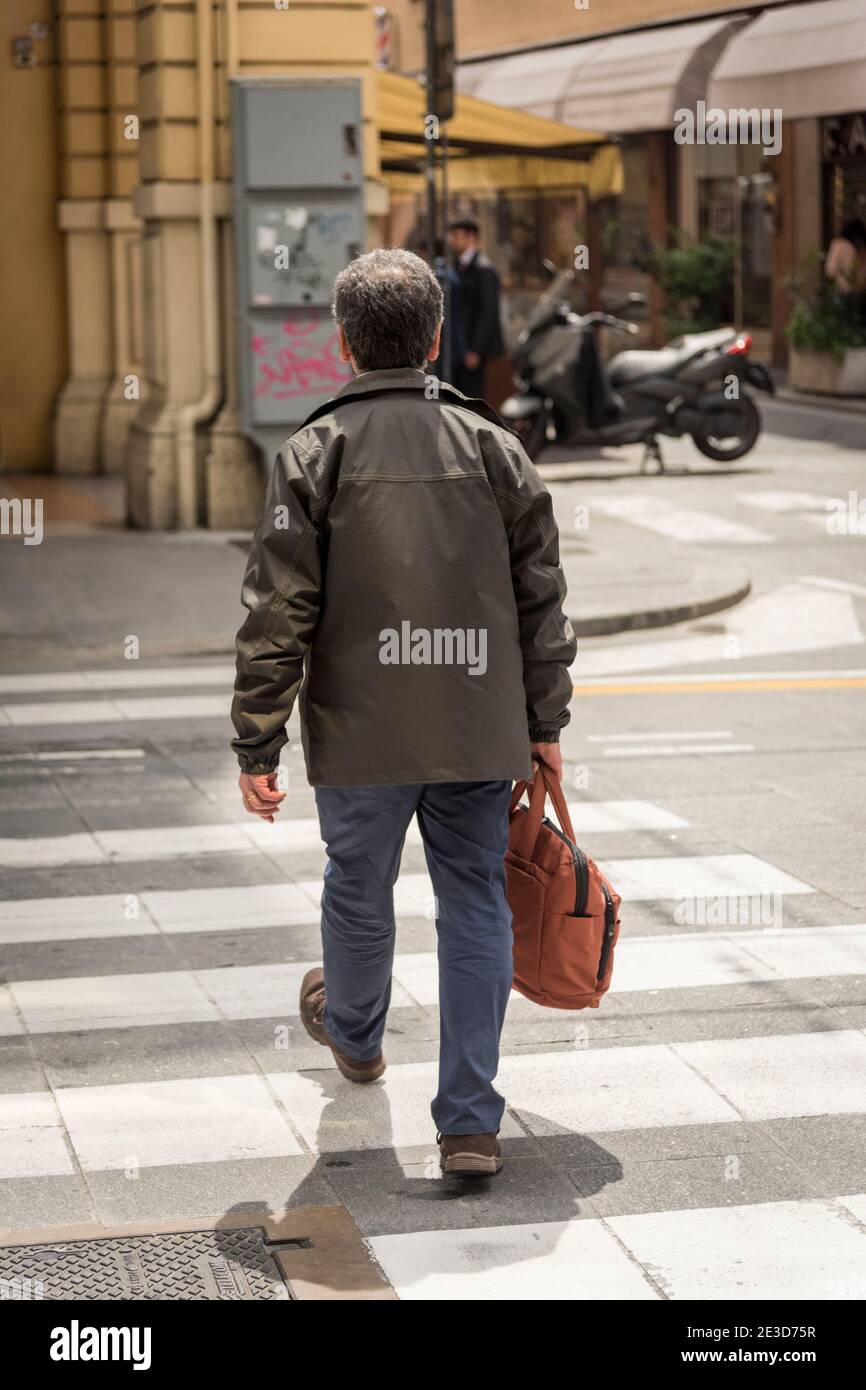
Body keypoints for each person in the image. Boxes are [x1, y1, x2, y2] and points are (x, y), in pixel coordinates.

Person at [230, 248, 576, 1179]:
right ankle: (469, 1122)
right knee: (474, 898)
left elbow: (278, 610)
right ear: (435, 338)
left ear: (344, 344)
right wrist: (545, 724)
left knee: (357, 883)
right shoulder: (494, 446)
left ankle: (354, 1034)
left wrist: (256, 738)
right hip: (475, 724)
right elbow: (541, 597)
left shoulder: (314, 451)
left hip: (361, 727)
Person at [447, 216, 505, 398]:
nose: (453, 241)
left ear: (470, 237)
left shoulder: (483, 269)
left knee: (472, 397)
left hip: (472, 349)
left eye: (457, 235)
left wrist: (475, 349)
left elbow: (488, 311)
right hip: (458, 347)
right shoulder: (457, 266)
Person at [825, 217, 866, 295]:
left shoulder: (838, 244)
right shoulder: (857, 248)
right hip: (857, 292)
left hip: (840, 291)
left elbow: (830, 270)